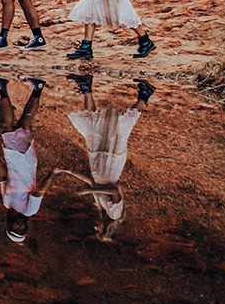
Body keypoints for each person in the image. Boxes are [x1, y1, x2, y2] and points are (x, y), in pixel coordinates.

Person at [60, 74, 154, 240]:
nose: (96, 226)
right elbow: (113, 191)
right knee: (121, 130)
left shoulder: (102, 209)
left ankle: (86, 87)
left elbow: (91, 181)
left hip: (98, 165)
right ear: (107, 229)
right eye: (99, 230)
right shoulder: (115, 214)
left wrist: (70, 172)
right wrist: (90, 191)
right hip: (111, 164)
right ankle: (144, 95)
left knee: (92, 130)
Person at [0, 75, 62, 241]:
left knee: (24, 124)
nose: (20, 225)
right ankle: (2, 87)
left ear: (10, 225)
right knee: (8, 128)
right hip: (22, 162)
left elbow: (4, 176)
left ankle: (38, 88)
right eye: (22, 229)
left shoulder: (8, 204)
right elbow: (39, 192)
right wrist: (52, 174)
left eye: (17, 228)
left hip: (18, 161)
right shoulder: (29, 210)